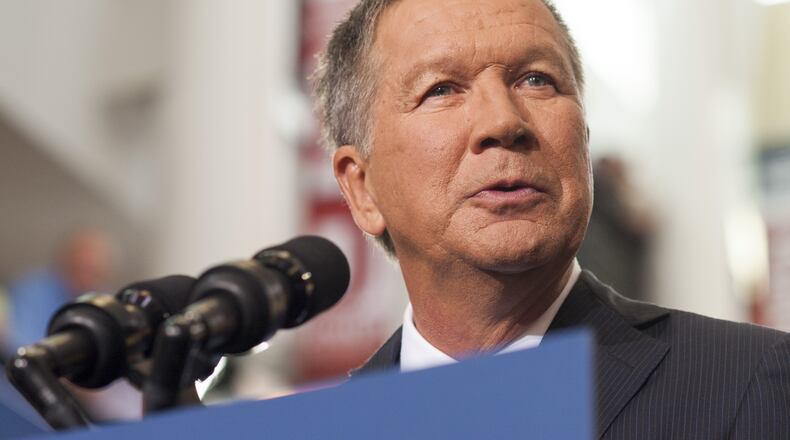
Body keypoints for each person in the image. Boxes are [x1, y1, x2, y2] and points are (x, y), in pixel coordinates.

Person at [313, 0, 790, 438]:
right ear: (362, 188)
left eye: (536, 79)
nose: (504, 122)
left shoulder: (748, 382)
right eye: (442, 89)